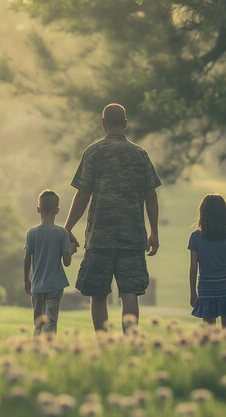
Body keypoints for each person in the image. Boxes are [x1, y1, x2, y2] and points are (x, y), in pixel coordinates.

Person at [64, 103, 162, 334]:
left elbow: (82, 194)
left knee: (98, 293)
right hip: (132, 237)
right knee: (129, 293)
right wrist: (154, 232)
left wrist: (67, 227)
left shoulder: (93, 152)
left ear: (103, 123)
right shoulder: (140, 154)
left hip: (100, 236)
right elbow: (151, 194)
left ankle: (104, 344)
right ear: (125, 124)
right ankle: (130, 341)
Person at [188, 194, 226, 329]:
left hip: (206, 289)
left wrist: (193, 292)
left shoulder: (196, 237)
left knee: (209, 334)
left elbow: (193, 268)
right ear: (224, 213)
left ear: (203, 213)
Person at [24, 190, 73, 336]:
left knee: (38, 323)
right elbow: (67, 262)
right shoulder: (62, 233)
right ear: (57, 211)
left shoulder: (31, 233)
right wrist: (71, 250)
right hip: (55, 286)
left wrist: (26, 279)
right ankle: (48, 348)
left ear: (38, 209)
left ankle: (36, 348)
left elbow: (27, 258)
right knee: (50, 321)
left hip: (37, 286)